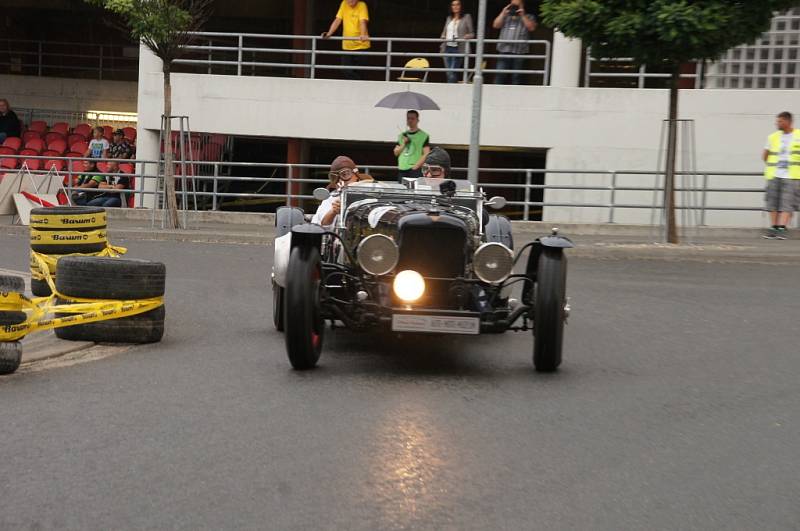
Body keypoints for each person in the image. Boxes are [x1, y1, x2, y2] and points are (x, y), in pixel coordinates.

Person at [762, 111, 800, 239]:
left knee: (787, 202)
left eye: (780, 121)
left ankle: (781, 229)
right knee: (772, 202)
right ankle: (773, 227)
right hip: (774, 174)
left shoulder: (799, 135)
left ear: (788, 122)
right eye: (777, 121)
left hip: (792, 175)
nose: (777, 123)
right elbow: (765, 155)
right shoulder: (773, 137)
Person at [312, 156, 367, 228]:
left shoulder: (370, 192)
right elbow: (323, 223)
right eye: (335, 178)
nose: (341, 181)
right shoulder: (332, 198)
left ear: (355, 175)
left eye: (346, 174)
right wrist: (333, 212)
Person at [323, 0, 370, 80]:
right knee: (346, 70)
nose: (350, 1)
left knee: (361, 71)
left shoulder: (362, 5)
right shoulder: (344, 3)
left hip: (361, 46)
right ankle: (359, 84)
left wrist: (363, 34)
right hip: (347, 46)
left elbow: (363, 21)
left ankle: (360, 86)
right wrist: (329, 33)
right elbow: (338, 20)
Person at [492, 0, 537, 85]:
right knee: (499, 76)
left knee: (517, 77)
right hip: (504, 51)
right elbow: (495, 25)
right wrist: (503, 13)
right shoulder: (505, 16)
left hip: (519, 52)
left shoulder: (529, 16)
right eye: (513, 6)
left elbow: (532, 28)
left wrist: (522, 15)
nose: (515, 8)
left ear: (522, 5)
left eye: (517, 6)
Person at [439, 1, 474, 84]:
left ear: (461, 6)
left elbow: (472, 33)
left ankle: (449, 91)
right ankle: (454, 88)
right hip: (447, 48)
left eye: (457, 4)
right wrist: (443, 36)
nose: (455, 6)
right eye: (453, 5)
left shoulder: (467, 17)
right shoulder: (449, 18)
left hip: (458, 48)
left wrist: (468, 36)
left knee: (452, 72)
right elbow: (444, 32)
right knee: (449, 73)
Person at [393, 110, 431, 181]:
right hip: (402, 168)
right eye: (408, 118)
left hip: (415, 169)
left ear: (417, 120)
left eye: (412, 118)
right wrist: (404, 144)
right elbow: (396, 152)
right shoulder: (402, 135)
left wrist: (416, 166)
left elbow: (427, 153)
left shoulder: (423, 136)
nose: (410, 120)